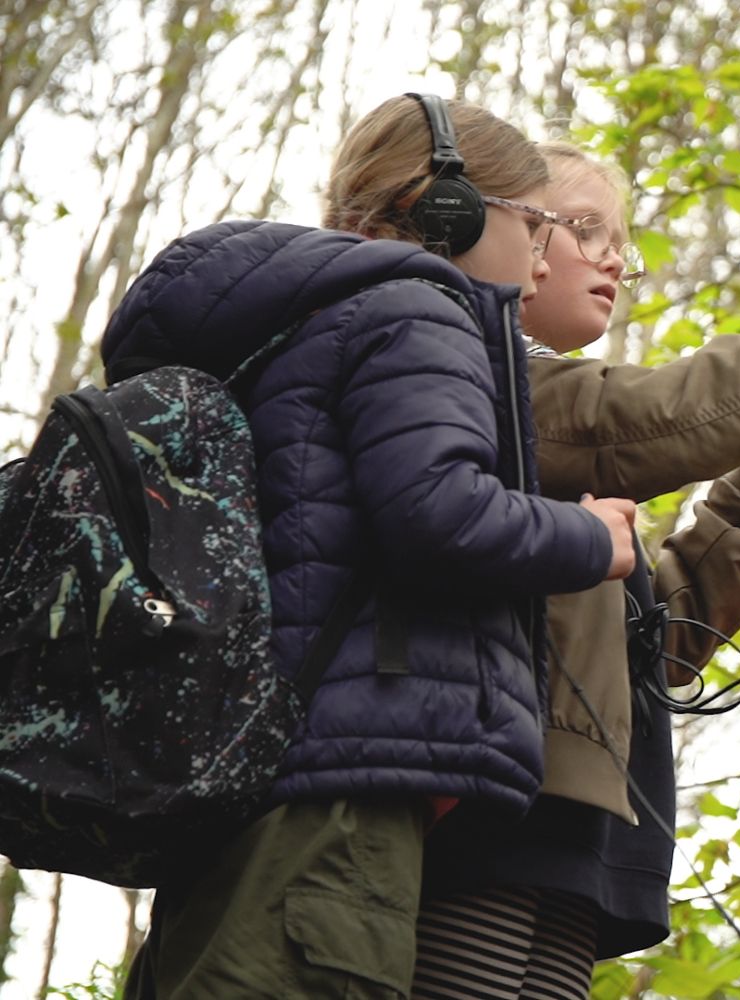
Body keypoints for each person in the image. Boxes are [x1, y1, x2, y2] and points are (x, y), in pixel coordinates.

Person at [113, 94, 637, 998]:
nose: (546, 252)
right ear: (455, 211)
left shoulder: (310, 314)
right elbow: (439, 511)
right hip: (335, 785)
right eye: (537, 222)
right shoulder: (416, 308)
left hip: (265, 760)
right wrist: (590, 537)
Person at [412, 142, 740, 998]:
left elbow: (652, 654)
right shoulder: (482, 383)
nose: (612, 257)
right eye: (582, 227)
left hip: (578, 824)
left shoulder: (556, 440)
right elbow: (643, 419)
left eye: (620, 237)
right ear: (508, 232)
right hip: (489, 801)